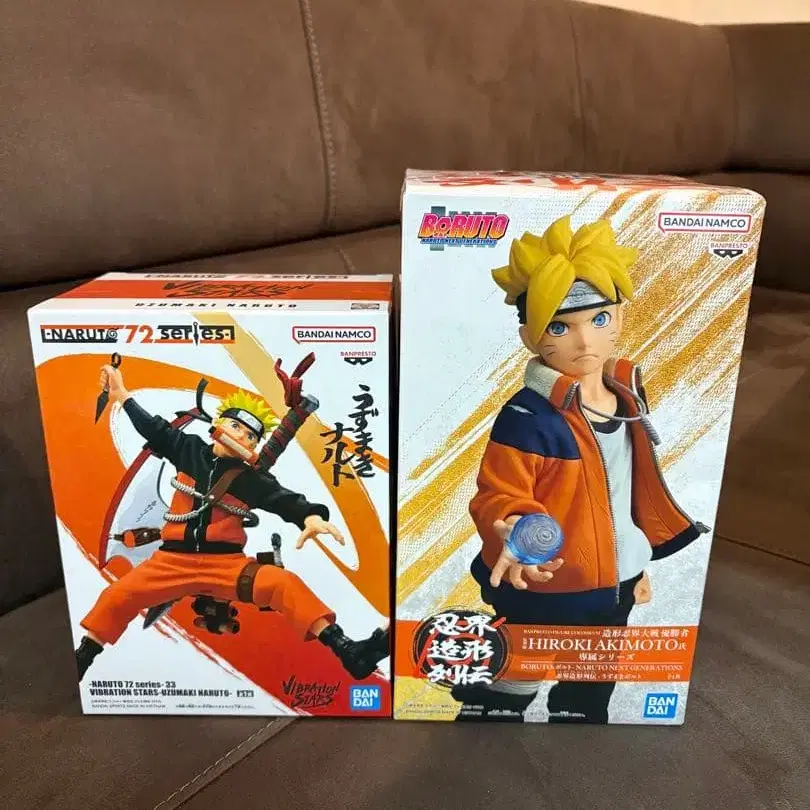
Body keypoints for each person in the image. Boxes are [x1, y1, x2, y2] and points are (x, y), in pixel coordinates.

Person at [456, 215, 706, 723]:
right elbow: (497, 492)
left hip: (614, 584)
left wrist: (635, 566)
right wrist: (516, 529)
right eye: (559, 327)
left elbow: (626, 492)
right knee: (508, 689)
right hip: (543, 582)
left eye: (599, 319)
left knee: (587, 696)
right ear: (529, 336)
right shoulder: (527, 415)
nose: (584, 340)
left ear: (619, 319)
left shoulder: (628, 395)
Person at [75, 364, 388, 681]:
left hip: (226, 566)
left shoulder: (251, 480)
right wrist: (121, 394)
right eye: (236, 426)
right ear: (218, 424)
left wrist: (311, 517)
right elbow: (154, 429)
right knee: (117, 596)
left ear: (253, 448)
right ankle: (82, 659)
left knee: (284, 584)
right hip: (170, 562)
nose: (241, 436)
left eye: (251, 436)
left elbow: (285, 500)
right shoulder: (188, 450)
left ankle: (348, 650)